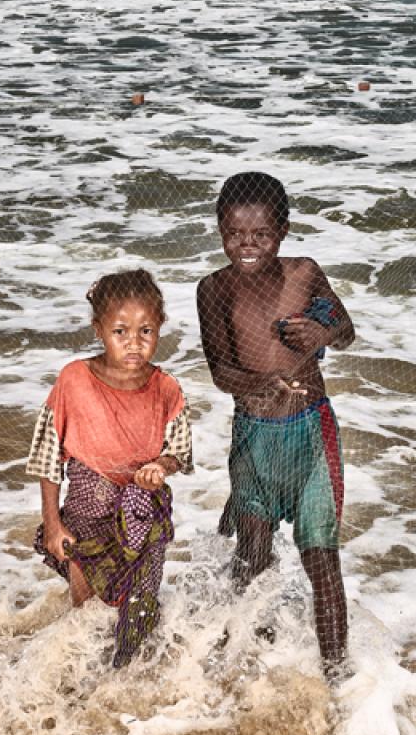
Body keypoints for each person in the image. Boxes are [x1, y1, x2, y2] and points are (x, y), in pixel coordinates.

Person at [196, 172, 358, 667]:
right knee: (252, 561)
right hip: (254, 439)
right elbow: (220, 370)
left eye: (261, 235)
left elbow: (346, 330)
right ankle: (247, 664)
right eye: (234, 234)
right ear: (220, 229)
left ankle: (337, 675)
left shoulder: (304, 275)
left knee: (321, 560)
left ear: (282, 231)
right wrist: (259, 386)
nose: (247, 245)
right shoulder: (213, 290)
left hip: (310, 436)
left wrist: (321, 332)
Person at [26, 269, 193, 668]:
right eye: (121, 332)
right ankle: (86, 688)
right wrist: (53, 524)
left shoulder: (166, 388)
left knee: (140, 606)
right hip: (86, 512)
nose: (134, 343)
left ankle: (129, 681)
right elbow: (48, 460)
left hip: (141, 513)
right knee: (88, 612)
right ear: (98, 330)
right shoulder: (74, 381)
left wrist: (160, 466)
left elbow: (180, 450)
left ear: (160, 329)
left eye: (146, 331)